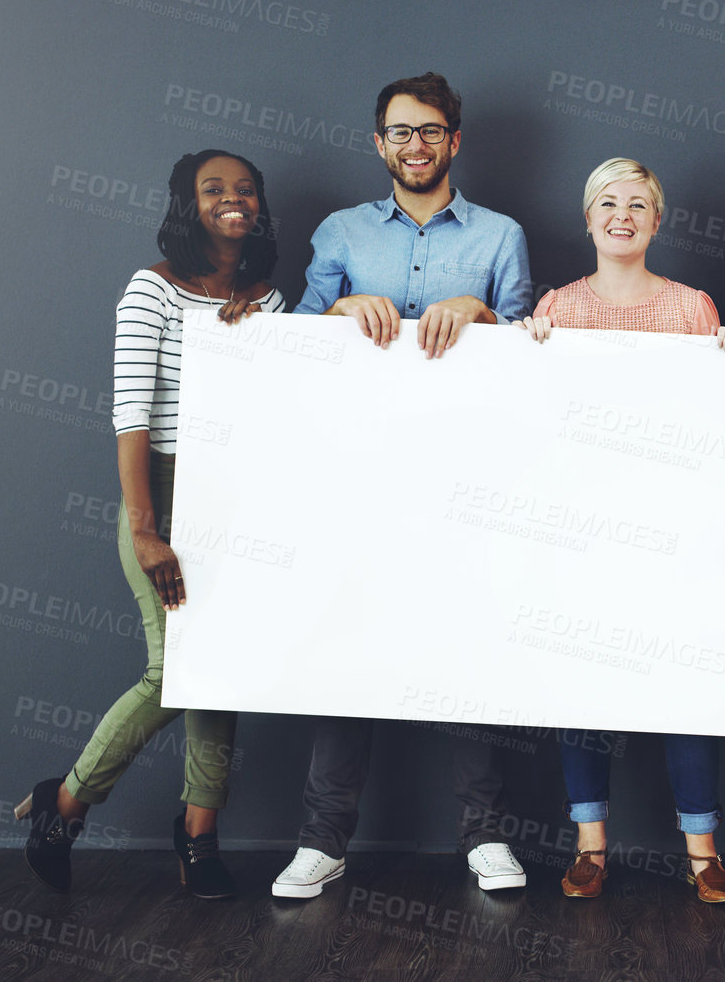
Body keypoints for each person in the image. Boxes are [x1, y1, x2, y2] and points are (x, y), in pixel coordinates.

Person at [272, 72, 536, 900]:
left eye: (430, 132)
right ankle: (322, 842)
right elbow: (295, 344)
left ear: (454, 141)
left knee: (468, 651)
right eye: (399, 132)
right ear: (377, 142)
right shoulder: (342, 232)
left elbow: (534, 352)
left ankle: (484, 837)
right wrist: (339, 312)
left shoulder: (500, 237)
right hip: (359, 478)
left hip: (468, 479)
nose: (414, 146)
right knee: (347, 650)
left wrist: (484, 314)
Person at [16, 148, 284, 900]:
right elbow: (130, 415)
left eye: (245, 190)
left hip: (233, 496)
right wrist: (144, 527)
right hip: (161, 492)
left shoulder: (268, 298)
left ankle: (200, 839)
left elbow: (288, 399)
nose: (233, 199)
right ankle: (63, 805)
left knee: (219, 671)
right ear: (185, 205)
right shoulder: (152, 290)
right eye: (213, 190)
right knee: (173, 672)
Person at [516, 157, 725, 904]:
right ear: (587, 219)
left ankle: (702, 850)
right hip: (582, 533)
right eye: (607, 203)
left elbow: (721, 421)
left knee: (683, 686)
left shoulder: (692, 310)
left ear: (657, 220)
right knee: (583, 693)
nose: (622, 214)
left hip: (673, 532)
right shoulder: (555, 308)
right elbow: (533, 421)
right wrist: (521, 353)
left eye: (638, 204)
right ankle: (589, 846)